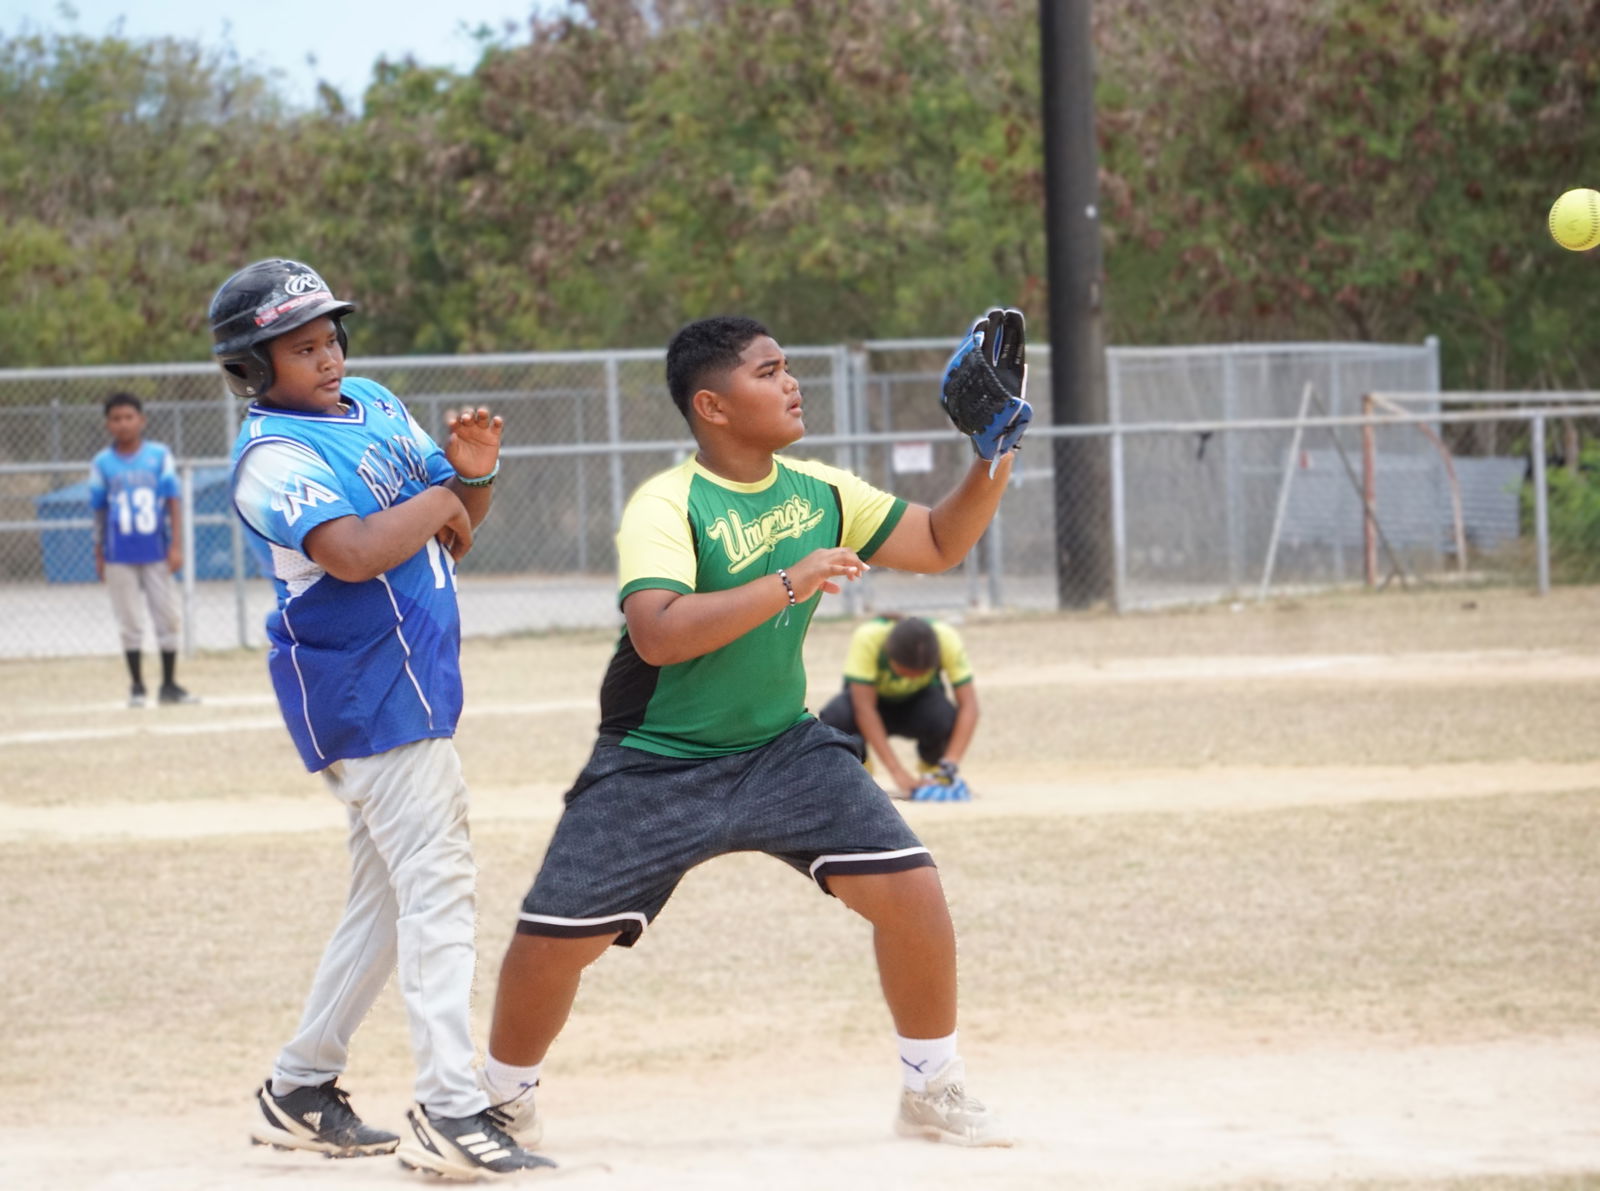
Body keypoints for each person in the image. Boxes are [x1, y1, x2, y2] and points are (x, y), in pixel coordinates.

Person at [481, 312, 1031, 1150]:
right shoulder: (667, 504)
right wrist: (789, 578)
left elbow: (939, 540)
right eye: (768, 371)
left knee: (912, 890)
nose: (790, 382)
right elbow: (658, 631)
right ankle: (497, 1101)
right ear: (714, 405)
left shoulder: (822, 491)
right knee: (552, 938)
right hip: (657, 758)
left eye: (788, 366)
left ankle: (933, 1089)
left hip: (781, 747)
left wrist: (994, 452)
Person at [211, 258, 552, 1181]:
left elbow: (458, 527)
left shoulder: (373, 402)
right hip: (367, 693)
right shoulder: (270, 459)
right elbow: (357, 553)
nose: (326, 357)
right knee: (438, 886)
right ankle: (451, 1107)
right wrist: (444, 499)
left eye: (329, 337)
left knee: (388, 902)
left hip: (415, 683)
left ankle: (299, 1088)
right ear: (252, 365)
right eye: (299, 346)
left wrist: (471, 476)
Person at [88, 392, 196, 707]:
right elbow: (98, 511)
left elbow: (173, 502)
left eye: (129, 417)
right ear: (108, 424)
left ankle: (169, 684)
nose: (123, 423)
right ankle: (137, 685)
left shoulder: (159, 456)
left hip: (156, 549)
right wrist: (98, 552)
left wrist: (176, 545)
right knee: (130, 621)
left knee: (166, 617)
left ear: (142, 420)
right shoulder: (102, 463)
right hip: (119, 552)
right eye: (116, 418)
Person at [817, 613, 979, 800]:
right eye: (904, 673)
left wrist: (950, 763)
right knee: (836, 718)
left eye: (918, 675)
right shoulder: (869, 637)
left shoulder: (947, 639)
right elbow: (865, 709)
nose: (909, 680)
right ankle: (859, 774)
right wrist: (897, 771)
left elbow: (969, 705)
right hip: (872, 707)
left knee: (944, 717)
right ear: (889, 654)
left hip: (917, 705)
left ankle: (932, 771)